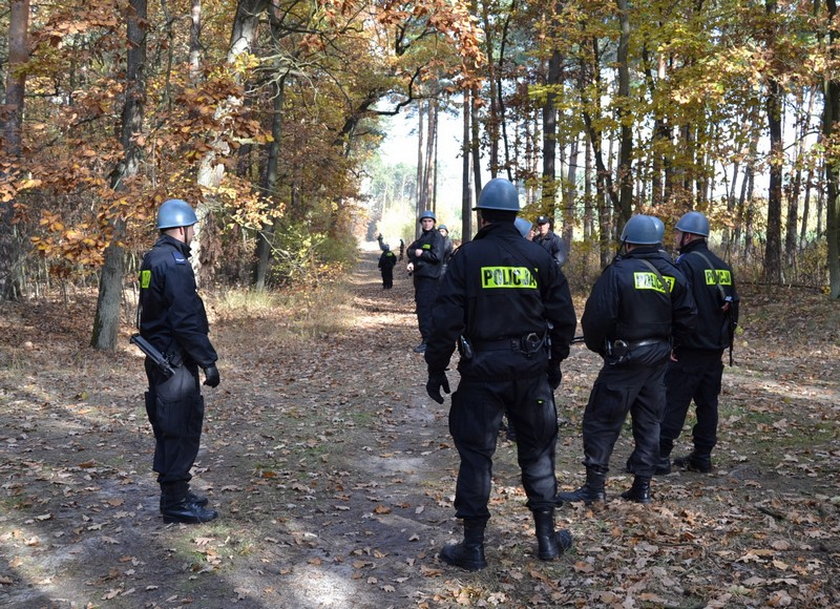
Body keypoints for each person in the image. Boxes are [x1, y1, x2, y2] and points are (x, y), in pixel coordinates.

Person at [424, 178, 577, 571]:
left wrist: (436, 367)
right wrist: (553, 363)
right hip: (531, 374)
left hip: (482, 375)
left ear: (484, 216)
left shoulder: (466, 258)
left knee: (476, 457)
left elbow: (444, 322)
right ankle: (546, 541)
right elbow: (564, 319)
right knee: (539, 452)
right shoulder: (539, 258)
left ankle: (473, 548)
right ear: (515, 215)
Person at [557, 215, 696, 505]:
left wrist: (604, 349)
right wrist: (673, 346)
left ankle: (594, 487)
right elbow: (688, 316)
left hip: (626, 358)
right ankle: (642, 487)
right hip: (658, 359)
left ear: (628, 242)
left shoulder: (618, 273)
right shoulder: (674, 272)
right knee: (649, 421)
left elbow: (596, 319)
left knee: (601, 419)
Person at [138, 198, 220, 524]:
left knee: (169, 425)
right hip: (174, 361)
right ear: (184, 228)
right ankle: (174, 504)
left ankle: (176, 494)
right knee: (179, 427)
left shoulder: (152, 258)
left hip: (160, 358)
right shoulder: (173, 263)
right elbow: (185, 319)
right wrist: (207, 360)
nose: (193, 234)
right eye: (193, 229)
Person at [658, 211, 739, 474]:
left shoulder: (684, 266)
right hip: (714, 349)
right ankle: (702, 456)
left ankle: (659, 457)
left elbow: (677, 307)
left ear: (689, 236)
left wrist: (672, 342)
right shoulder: (723, 267)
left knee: (674, 402)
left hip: (688, 349)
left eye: (679, 233)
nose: (676, 237)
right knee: (708, 404)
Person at [406, 210, 445, 353]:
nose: (427, 223)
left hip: (431, 279)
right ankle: (429, 339)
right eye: (424, 221)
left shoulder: (437, 237)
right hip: (420, 277)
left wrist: (422, 253)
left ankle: (428, 341)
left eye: (430, 221)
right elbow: (410, 250)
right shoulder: (423, 237)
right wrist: (412, 262)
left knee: (426, 309)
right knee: (422, 308)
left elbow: (437, 256)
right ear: (421, 223)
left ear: (434, 222)